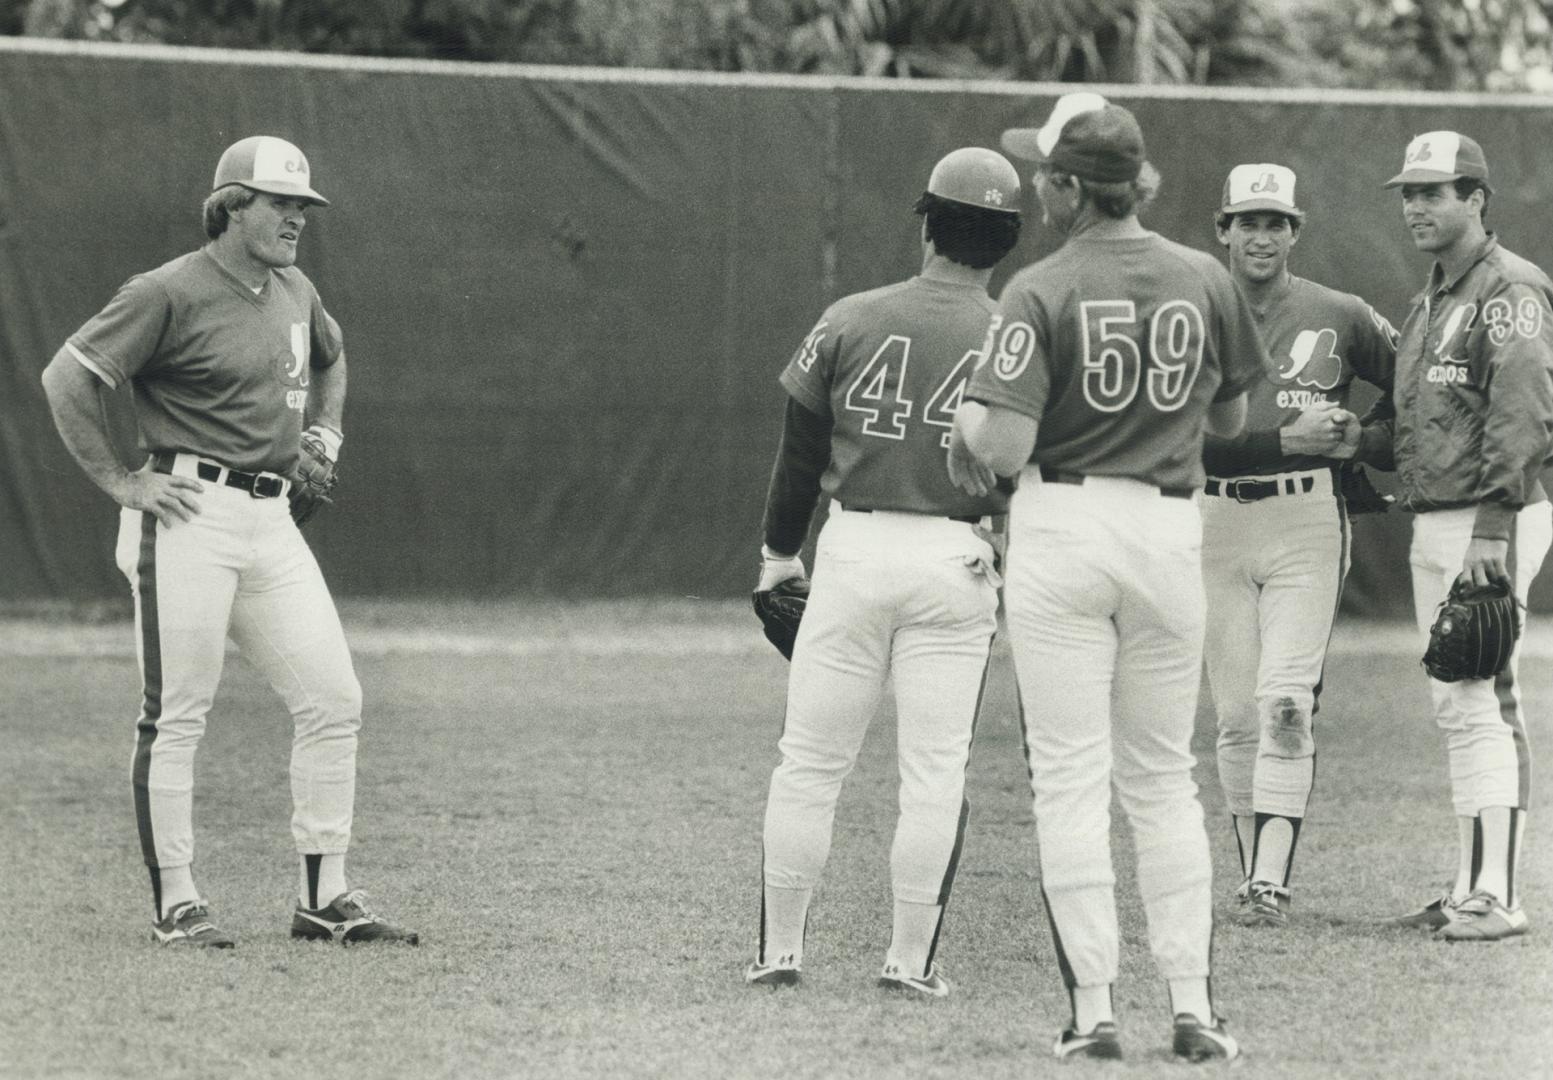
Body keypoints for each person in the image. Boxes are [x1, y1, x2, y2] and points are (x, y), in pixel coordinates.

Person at [947, 92, 1265, 1061]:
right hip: (1168, 529)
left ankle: (1091, 1012)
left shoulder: (1037, 287)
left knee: (1073, 780)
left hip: (1065, 525)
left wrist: (965, 428)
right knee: (1162, 779)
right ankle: (1191, 1005)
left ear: (1070, 188)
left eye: (1045, 172)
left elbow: (999, 446)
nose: (1037, 183)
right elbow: (1228, 426)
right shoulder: (1203, 275)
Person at [39, 135, 416, 948]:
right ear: (230, 206)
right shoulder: (167, 290)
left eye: (302, 208)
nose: (296, 220)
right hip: (184, 513)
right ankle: (177, 901)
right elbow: (66, 377)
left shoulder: (294, 286)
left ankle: (324, 895)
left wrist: (326, 435)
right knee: (177, 713)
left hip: (271, 519)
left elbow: (332, 353)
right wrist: (121, 482)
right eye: (280, 204)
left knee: (333, 698)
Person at [745, 147, 1022, 998]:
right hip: (954, 555)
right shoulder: (1014, 332)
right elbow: (1023, 465)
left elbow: (798, 457)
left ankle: (779, 952)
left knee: (809, 763)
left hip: (853, 552)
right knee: (934, 774)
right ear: (1005, 240)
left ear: (928, 222)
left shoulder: (851, 315)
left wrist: (776, 557)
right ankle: (908, 963)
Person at [1363, 132, 1553, 942]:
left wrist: (1491, 527)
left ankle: (1497, 897)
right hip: (1440, 514)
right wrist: (1353, 440)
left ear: (1475, 199)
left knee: (1483, 697)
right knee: (1457, 703)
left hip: (1485, 518)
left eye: (1432, 192)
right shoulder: (1435, 295)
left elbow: (1523, 414)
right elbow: (1421, 424)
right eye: (1407, 192)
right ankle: (1469, 882)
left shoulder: (1509, 289)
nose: (1414, 206)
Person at [1200, 164, 1397, 927]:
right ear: (1222, 228)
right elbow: (1178, 442)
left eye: (1274, 221)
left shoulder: (1339, 312)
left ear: (1294, 231)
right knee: (1233, 717)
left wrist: (1364, 437)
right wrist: (1283, 437)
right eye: (1246, 220)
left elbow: (1416, 388)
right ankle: (1252, 868)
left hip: (1305, 521)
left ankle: (1268, 882)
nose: (1260, 234)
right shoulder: (1190, 310)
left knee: (1284, 702)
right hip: (1212, 522)